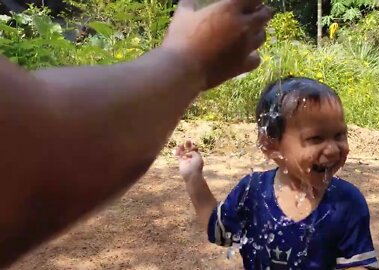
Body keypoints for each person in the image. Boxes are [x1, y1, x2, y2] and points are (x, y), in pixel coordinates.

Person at [0, 0, 272, 267]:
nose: (317, 151)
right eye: (313, 138)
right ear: (270, 144)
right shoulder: (257, 193)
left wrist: (188, 59)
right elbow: (33, 150)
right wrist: (190, 60)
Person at [176, 76, 379, 269]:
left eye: (339, 135)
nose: (333, 149)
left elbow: (359, 265)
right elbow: (219, 231)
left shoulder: (347, 202)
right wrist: (193, 178)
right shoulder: (252, 193)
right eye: (316, 138)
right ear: (271, 146)